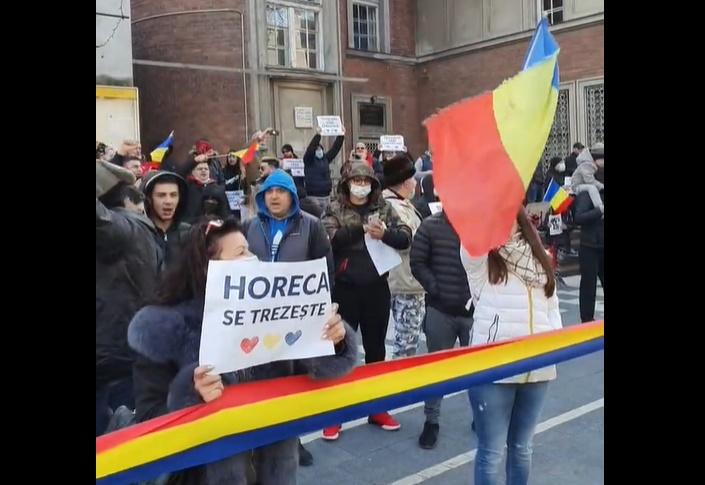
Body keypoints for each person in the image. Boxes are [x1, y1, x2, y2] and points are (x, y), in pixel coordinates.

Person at [128, 217, 358, 483]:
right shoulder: (166, 328)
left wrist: (333, 339)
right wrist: (193, 395)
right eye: (240, 253)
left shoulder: (276, 310)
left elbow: (322, 370)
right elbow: (149, 418)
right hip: (204, 472)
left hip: (275, 464)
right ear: (209, 268)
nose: (253, 258)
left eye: (250, 250)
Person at [460, 207, 562, 485]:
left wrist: (555, 341)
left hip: (538, 369)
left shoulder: (538, 255)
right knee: (491, 452)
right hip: (493, 369)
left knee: (522, 449)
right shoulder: (482, 258)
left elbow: (552, 305)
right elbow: (470, 244)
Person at [243, 168, 334, 466]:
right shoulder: (249, 226)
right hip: (258, 318)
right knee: (261, 381)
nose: (274, 196)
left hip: (296, 319)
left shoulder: (311, 226)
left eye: (280, 191)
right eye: (269, 191)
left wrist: (325, 306)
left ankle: (294, 441)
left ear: (291, 195)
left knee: (293, 383)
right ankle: (262, 439)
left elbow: (325, 270)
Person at [321, 162, 412, 439]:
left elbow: (405, 237)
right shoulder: (333, 207)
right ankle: (334, 414)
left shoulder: (383, 207)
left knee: (376, 352)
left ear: (373, 184)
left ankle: (377, 408)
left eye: (366, 180)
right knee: (339, 352)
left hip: (376, 288)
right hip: (345, 289)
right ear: (347, 182)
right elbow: (330, 239)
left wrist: (386, 234)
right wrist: (361, 229)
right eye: (356, 180)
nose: (361, 185)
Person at [96, 160, 163, 436]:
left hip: (111, 354)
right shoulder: (141, 232)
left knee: (114, 437)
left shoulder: (124, 228)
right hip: (126, 350)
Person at [410, 208, 473, 449]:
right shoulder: (430, 225)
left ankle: (482, 415)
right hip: (440, 310)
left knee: (480, 369)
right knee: (436, 369)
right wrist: (434, 287)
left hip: (475, 312)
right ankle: (431, 421)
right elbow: (417, 261)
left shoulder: (482, 224)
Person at [381, 155, 425, 359]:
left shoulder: (395, 204)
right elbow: (408, 241)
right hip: (405, 280)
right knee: (406, 344)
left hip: (401, 279)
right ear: (405, 181)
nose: (416, 183)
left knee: (405, 341)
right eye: (413, 179)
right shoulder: (396, 208)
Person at [141, 171, 192, 268]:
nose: (168, 201)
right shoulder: (140, 234)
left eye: (173, 195)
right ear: (149, 199)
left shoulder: (189, 234)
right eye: (161, 195)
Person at [573, 165, 604, 323]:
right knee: (588, 287)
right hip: (589, 246)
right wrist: (599, 211)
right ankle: (586, 321)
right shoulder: (588, 191)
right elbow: (578, 217)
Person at [303, 127, 345, 213]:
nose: (319, 151)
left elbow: (335, 149)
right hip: (313, 196)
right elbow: (310, 149)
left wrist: (341, 135)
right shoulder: (308, 160)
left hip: (326, 196)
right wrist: (318, 135)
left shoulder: (325, 159)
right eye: (317, 149)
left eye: (320, 149)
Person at [571, 143, 604, 214]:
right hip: (577, 186)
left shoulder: (591, 163)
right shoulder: (586, 164)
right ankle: (600, 207)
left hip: (583, 184)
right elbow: (589, 180)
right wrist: (601, 186)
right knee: (592, 188)